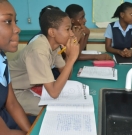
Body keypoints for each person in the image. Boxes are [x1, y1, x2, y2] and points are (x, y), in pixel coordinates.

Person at [9, 8, 79, 115]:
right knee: (52, 110)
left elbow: (66, 76)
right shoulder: (39, 50)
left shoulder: (54, 47)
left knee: (63, 105)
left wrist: (69, 57)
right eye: (67, 29)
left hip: (27, 88)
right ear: (52, 32)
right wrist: (72, 58)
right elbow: (54, 93)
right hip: (13, 92)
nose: (72, 34)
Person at [0, 0, 36, 134]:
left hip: (7, 120)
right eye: (8, 21)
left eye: (16, 21)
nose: (17, 29)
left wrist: (30, 131)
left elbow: (12, 104)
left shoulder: (2, 58)